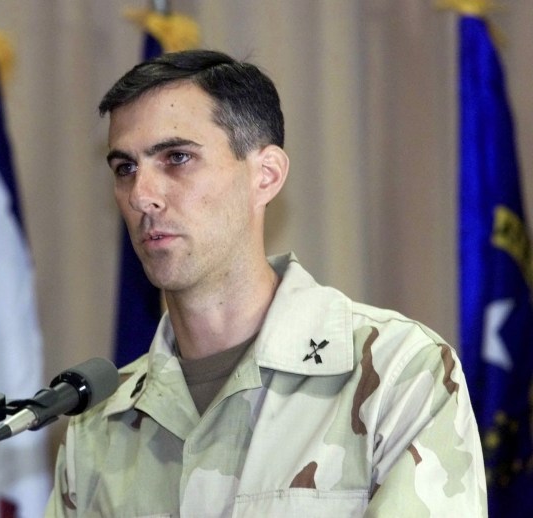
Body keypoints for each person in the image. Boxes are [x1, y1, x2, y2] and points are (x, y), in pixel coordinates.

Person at [45, 49, 487, 517]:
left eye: (177, 158)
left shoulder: (395, 373)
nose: (142, 195)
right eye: (125, 168)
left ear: (266, 175)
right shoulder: (98, 422)